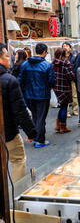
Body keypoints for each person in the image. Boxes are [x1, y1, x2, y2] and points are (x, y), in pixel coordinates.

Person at [0, 43, 36, 181]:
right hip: (7, 132)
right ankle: (16, 195)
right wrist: (31, 132)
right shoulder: (9, 80)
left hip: (7, 130)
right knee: (18, 160)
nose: (10, 59)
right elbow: (19, 111)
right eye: (7, 56)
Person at [19, 42, 56, 148]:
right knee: (40, 117)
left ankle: (35, 137)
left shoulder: (25, 64)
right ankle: (39, 139)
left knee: (35, 116)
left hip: (29, 95)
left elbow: (20, 80)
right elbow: (52, 81)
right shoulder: (47, 65)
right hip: (42, 95)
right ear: (44, 52)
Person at [52, 48, 75, 134]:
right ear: (63, 54)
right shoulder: (66, 63)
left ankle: (58, 125)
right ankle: (63, 127)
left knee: (62, 106)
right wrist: (73, 75)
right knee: (64, 107)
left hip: (56, 87)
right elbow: (70, 76)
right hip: (65, 87)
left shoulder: (53, 62)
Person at [63, 42, 78, 117]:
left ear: (70, 48)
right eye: (63, 46)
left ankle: (75, 110)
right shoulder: (61, 57)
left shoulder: (73, 57)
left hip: (72, 79)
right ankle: (67, 111)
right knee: (66, 96)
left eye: (67, 46)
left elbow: (75, 68)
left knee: (74, 95)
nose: (65, 47)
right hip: (64, 80)